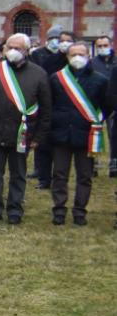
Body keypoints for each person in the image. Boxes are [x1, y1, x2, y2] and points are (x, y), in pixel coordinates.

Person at [0, 33, 51, 225]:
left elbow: (46, 109)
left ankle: (15, 210)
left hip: (23, 134)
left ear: (27, 50)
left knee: (18, 174)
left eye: (17, 48)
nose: (13, 51)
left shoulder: (39, 74)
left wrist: (38, 137)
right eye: (9, 47)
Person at [47, 41, 108, 226]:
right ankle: (59, 210)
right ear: (67, 57)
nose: (77, 58)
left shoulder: (100, 80)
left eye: (81, 54)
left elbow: (106, 106)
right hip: (61, 134)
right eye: (73, 54)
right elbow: (49, 104)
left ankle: (80, 211)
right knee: (59, 174)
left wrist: (97, 121)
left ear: (88, 56)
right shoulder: (56, 78)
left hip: (86, 135)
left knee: (84, 176)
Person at [31, 27, 72, 189]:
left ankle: (59, 178)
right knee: (44, 145)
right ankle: (44, 178)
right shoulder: (49, 60)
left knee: (61, 148)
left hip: (67, 107)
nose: (61, 43)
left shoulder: (74, 60)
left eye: (66, 41)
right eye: (59, 40)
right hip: (48, 105)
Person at [94, 33, 117, 179]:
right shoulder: (92, 63)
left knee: (114, 136)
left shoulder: (116, 62)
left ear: (111, 45)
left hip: (114, 105)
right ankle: (93, 165)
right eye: (99, 46)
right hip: (97, 105)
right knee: (95, 135)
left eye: (105, 45)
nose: (102, 48)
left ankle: (114, 165)